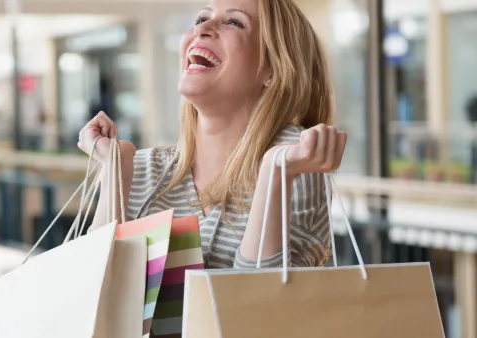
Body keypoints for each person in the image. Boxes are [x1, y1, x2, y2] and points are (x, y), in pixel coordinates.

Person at [78, 0, 347, 269]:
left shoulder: (295, 161)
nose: (202, 28)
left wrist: (274, 173)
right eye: (200, 19)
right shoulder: (142, 169)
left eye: (234, 22)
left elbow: (262, 300)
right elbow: (95, 293)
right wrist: (116, 166)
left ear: (272, 69)